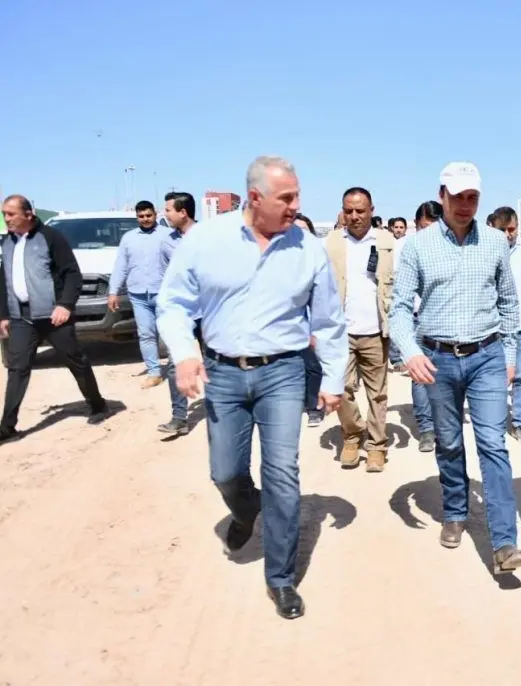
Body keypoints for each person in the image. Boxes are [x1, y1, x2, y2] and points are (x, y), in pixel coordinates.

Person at [156, 156, 348, 620]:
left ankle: (281, 578)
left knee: (283, 472)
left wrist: (333, 377)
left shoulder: (307, 248)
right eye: (287, 198)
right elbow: (173, 302)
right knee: (224, 472)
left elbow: (328, 321)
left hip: (282, 371)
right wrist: (185, 353)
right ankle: (246, 511)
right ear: (255, 198)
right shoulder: (207, 239)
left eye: (297, 196)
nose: (296, 206)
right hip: (221, 372)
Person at [390, 162, 521, 575]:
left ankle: (505, 542)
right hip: (437, 360)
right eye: (459, 197)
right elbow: (398, 309)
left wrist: (507, 357)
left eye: (473, 197)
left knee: (493, 444)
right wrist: (410, 351)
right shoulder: (418, 247)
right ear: (442, 195)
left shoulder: (494, 244)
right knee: (449, 442)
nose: (466, 205)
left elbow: (508, 303)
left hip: (486, 356)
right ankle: (455, 509)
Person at [0, 195, 111, 441]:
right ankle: (7, 427)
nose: (6, 218)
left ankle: (98, 404)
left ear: (28, 214)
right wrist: (4, 314)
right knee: (17, 369)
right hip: (22, 317)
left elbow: (72, 274)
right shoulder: (7, 242)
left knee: (75, 360)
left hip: (53, 316)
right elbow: (3, 279)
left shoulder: (50, 238)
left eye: (10, 214)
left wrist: (65, 305)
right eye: (4, 214)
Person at [323, 187, 397, 472]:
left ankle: (377, 446)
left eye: (360, 210)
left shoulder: (387, 242)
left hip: (376, 331)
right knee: (341, 389)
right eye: (349, 210)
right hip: (341, 332)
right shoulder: (330, 243)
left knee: (377, 393)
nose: (354, 216)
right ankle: (353, 435)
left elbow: (399, 286)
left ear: (371, 210)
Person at [108, 200, 167, 388]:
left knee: (171, 333)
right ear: (137, 217)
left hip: (164, 293)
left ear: (155, 214)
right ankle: (154, 372)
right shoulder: (128, 238)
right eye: (141, 216)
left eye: (148, 215)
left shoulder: (168, 236)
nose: (145, 219)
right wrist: (113, 291)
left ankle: (176, 368)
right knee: (146, 334)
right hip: (138, 294)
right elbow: (120, 267)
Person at [158, 191, 200, 436]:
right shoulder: (166, 242)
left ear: (183, 212)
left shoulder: (209, 238)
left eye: (169, 210)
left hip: (210, 311)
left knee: (217, 364)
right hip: (181, 313)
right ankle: (179, 417)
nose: (165, 214)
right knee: (175, 365)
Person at [403, 200, 443, 452]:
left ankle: (443, 424)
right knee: (420, 377)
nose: (426, 233)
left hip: (443, 322)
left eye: (432, 227)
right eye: (422, 227)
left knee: (444, 377)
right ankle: (426, 429)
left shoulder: (452, 250)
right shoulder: (409, 249)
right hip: (417, 321)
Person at [490, 205, 521, 444]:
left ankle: (518, 422)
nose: (508, 234)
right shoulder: (483, 252)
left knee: (520, 376)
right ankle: (493, 424)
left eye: (512, 229)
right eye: (502, 230)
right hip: (492, 328)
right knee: (493, 378)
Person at [295, 212, 326, 427]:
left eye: (305, 231)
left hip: (313, 326)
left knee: (314, 367)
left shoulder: (318, 259)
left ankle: (314, 406)